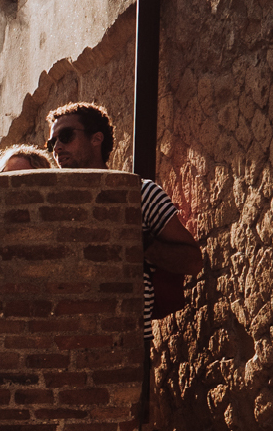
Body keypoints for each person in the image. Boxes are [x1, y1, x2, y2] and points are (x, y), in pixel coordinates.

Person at [44, 103, 202, 326]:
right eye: (52, 142)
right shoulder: (49, 205)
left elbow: (193, 262)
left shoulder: (140, 194)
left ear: (96, 139)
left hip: (125, 342)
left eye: (66, 136)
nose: (57, 147)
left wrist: (138, 241)